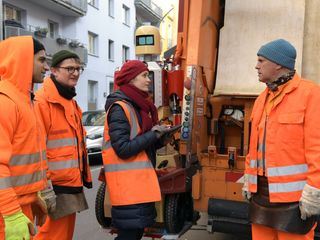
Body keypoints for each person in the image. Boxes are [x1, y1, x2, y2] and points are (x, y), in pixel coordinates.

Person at [242, 39, 320, 240]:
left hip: (295, 203)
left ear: (278, 64)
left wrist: (314, 190)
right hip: (261, 200)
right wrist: (248, 181)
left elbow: (317, 148)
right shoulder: (261, 99)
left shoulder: (310, 94)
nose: (256, 66)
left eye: (261, 61)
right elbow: (254, 148)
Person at [102, 60, 173, 240]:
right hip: (128, 188)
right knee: (129, 235)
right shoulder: (120, 107)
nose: (148, 80)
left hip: (137, 186)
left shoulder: (138, 105)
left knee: (134, 234)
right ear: (131, 79)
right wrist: (153, 134)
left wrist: (162, 138)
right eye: (144, 75)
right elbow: (123, 149)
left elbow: (142, 145)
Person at [34, 50, 92, 240]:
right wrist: (45, 186)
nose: (75, 73)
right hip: (53, 186)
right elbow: (37, 148)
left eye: (78, 69)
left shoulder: (69, 101)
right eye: (69, 69)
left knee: (63, 235)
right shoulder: (43, 102)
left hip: (68, 183)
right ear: (54, 71)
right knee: (50, 235)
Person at [0, 36, 49, 240]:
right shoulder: (6, 100)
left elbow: (21, 158)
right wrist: (11, 213)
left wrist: (32, 195)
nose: (46, 67)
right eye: (41, 60)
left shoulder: (25, 100)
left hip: (18, 206)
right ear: (23, 59)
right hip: (6, 211)